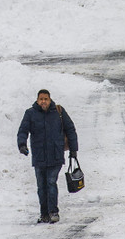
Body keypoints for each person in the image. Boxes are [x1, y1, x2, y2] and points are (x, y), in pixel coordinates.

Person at [16, 89, 79, 224]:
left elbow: (70, 129)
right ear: (37, 101)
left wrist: (73, 150)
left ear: (50, 100)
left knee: (51, 182)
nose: (43, 101)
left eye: (46, 99)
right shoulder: (30, 114)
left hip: (56, 155)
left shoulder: (58, 112)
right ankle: (44, 213)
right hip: (39, 156)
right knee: (41, 186)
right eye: (41, 99)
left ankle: (53, 212)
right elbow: (23, 130)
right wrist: (22, 145)